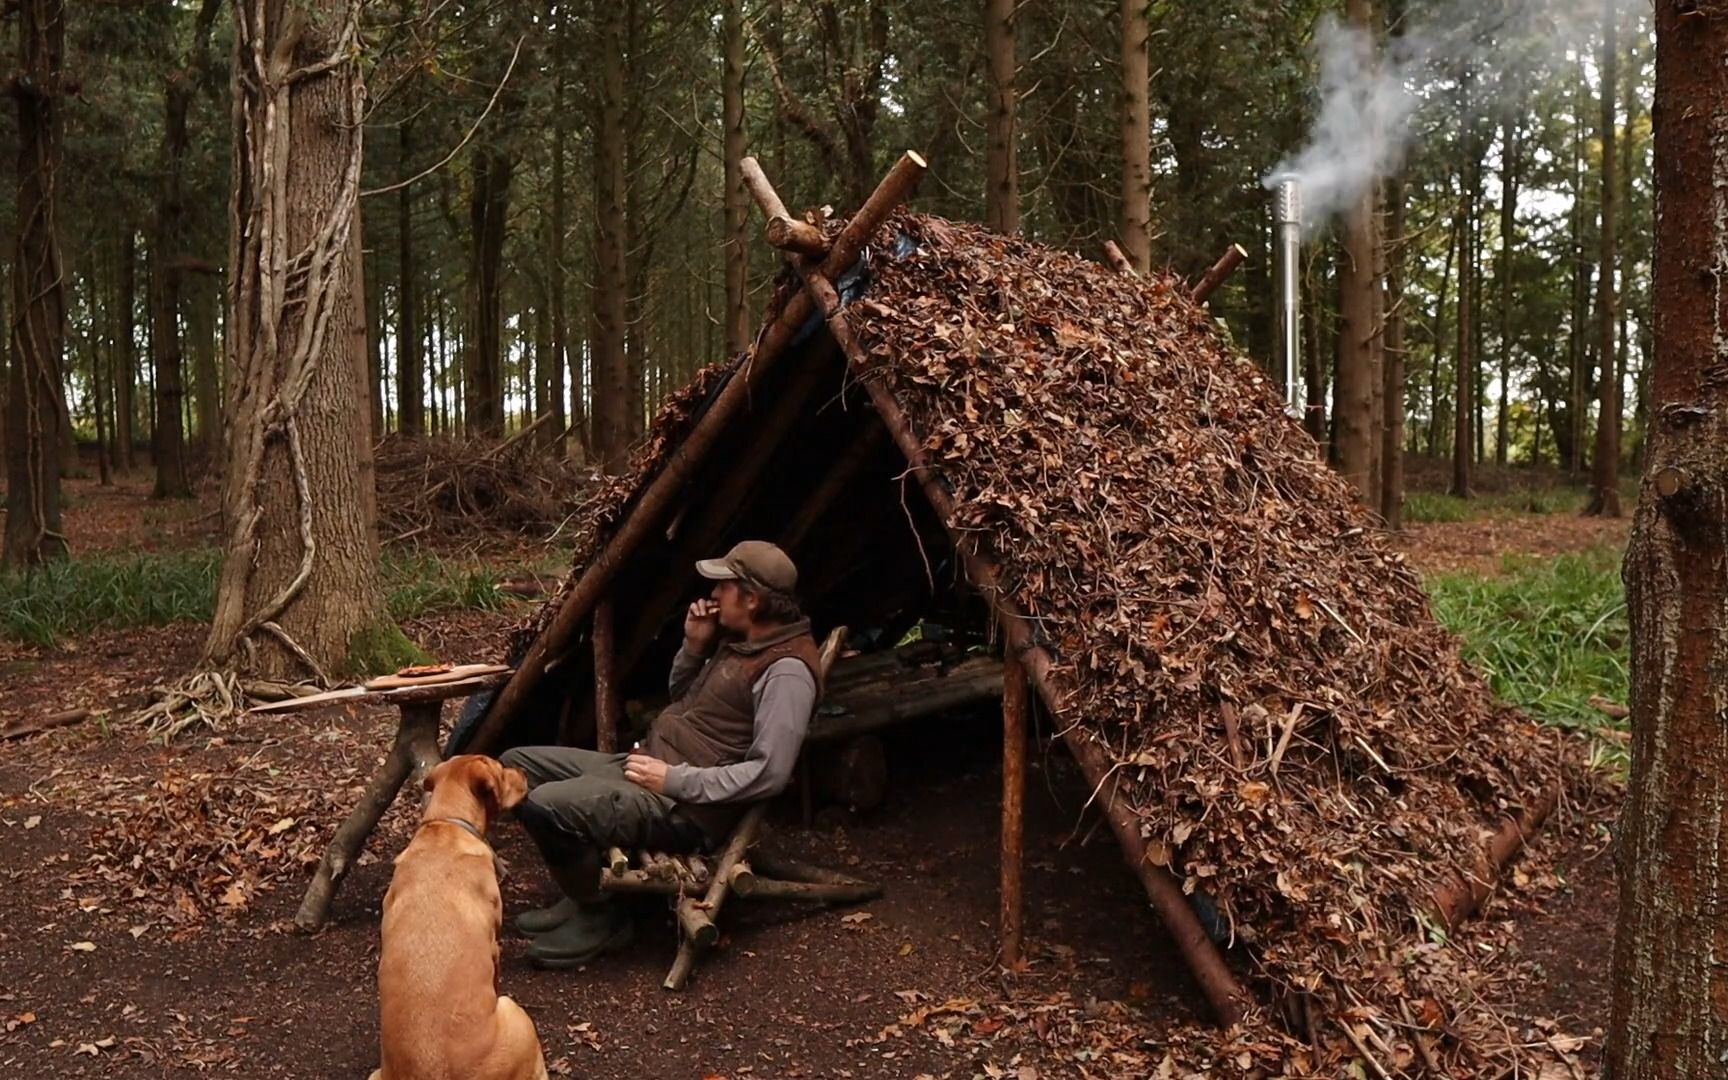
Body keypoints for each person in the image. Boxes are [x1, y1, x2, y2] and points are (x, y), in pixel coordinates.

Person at [500, 540, 824, 969]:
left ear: (752, 598)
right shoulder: (743, 641)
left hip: (684, 808)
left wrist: (674, 780)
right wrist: (694, 646)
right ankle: (581, 894)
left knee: (543, 804)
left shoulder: (786, 671)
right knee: (515, 767)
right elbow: (685, 701)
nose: (713, 595)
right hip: (650, 767)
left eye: (723, 586)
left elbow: (770, 773)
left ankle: (603, 915)